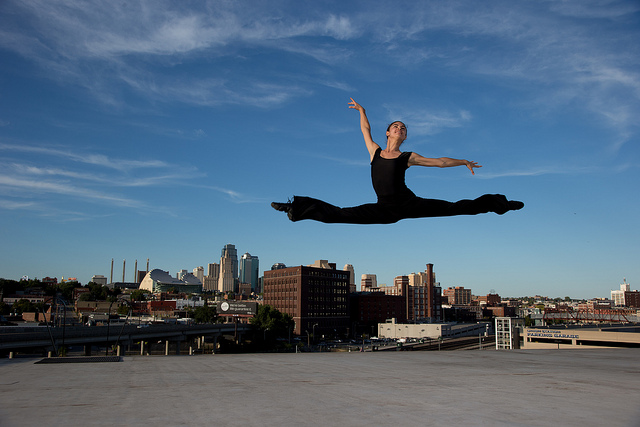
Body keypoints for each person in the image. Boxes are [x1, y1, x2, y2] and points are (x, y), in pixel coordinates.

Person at [271, 98, 523, 224]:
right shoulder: (375, 152)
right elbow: (365, 131)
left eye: (403, 127)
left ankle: (502, 204)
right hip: (384, 209)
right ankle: (294, 208)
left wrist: (463, 161)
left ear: (404, 135)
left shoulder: (407, 157)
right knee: (338, 214)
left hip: (409, 203)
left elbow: (440, 162)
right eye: (396, 126)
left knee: (454, 207)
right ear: (389, 132)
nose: (400, 128)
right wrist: (362, 111)